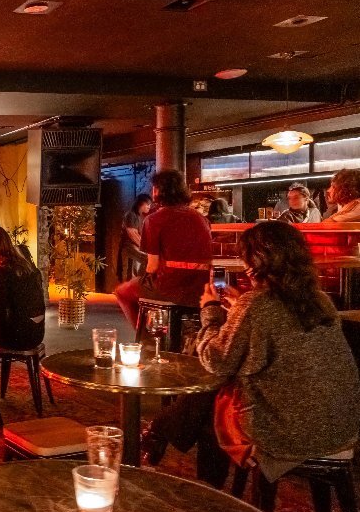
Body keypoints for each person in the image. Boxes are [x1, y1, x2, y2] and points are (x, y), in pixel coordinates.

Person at [142, 222, 360, 486]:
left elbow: (216, 360)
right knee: (222, 390)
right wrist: (240, 310)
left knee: (215, 402)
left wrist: (211, 310)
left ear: (256, 262)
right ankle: (160, 432)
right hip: (339, 427)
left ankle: (201, 481)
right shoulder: (320, 299)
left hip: (289, 432)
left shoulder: (257, 304)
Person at [114, 170, 213, 328]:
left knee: (123, 292)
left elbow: (152, 266)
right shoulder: (201, 218)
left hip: (171, 287)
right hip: (201, 289)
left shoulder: (154, 220)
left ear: (158, 190)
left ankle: (146, 337)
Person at [0, 226, 46, 352]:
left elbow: (1, 307)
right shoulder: (23, 262)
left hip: (17, 337)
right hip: (37, 333)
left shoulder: (0, 269)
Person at [118, 194, 152, 281]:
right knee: (146, 260)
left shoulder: (139, 216)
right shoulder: (131, 215)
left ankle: (134, 289)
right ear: (141, 203)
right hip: (129, 247)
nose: (149, 206)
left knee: (134, 272)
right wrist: (144, 247)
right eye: (148, 204)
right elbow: (132, 234)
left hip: (134, 247)